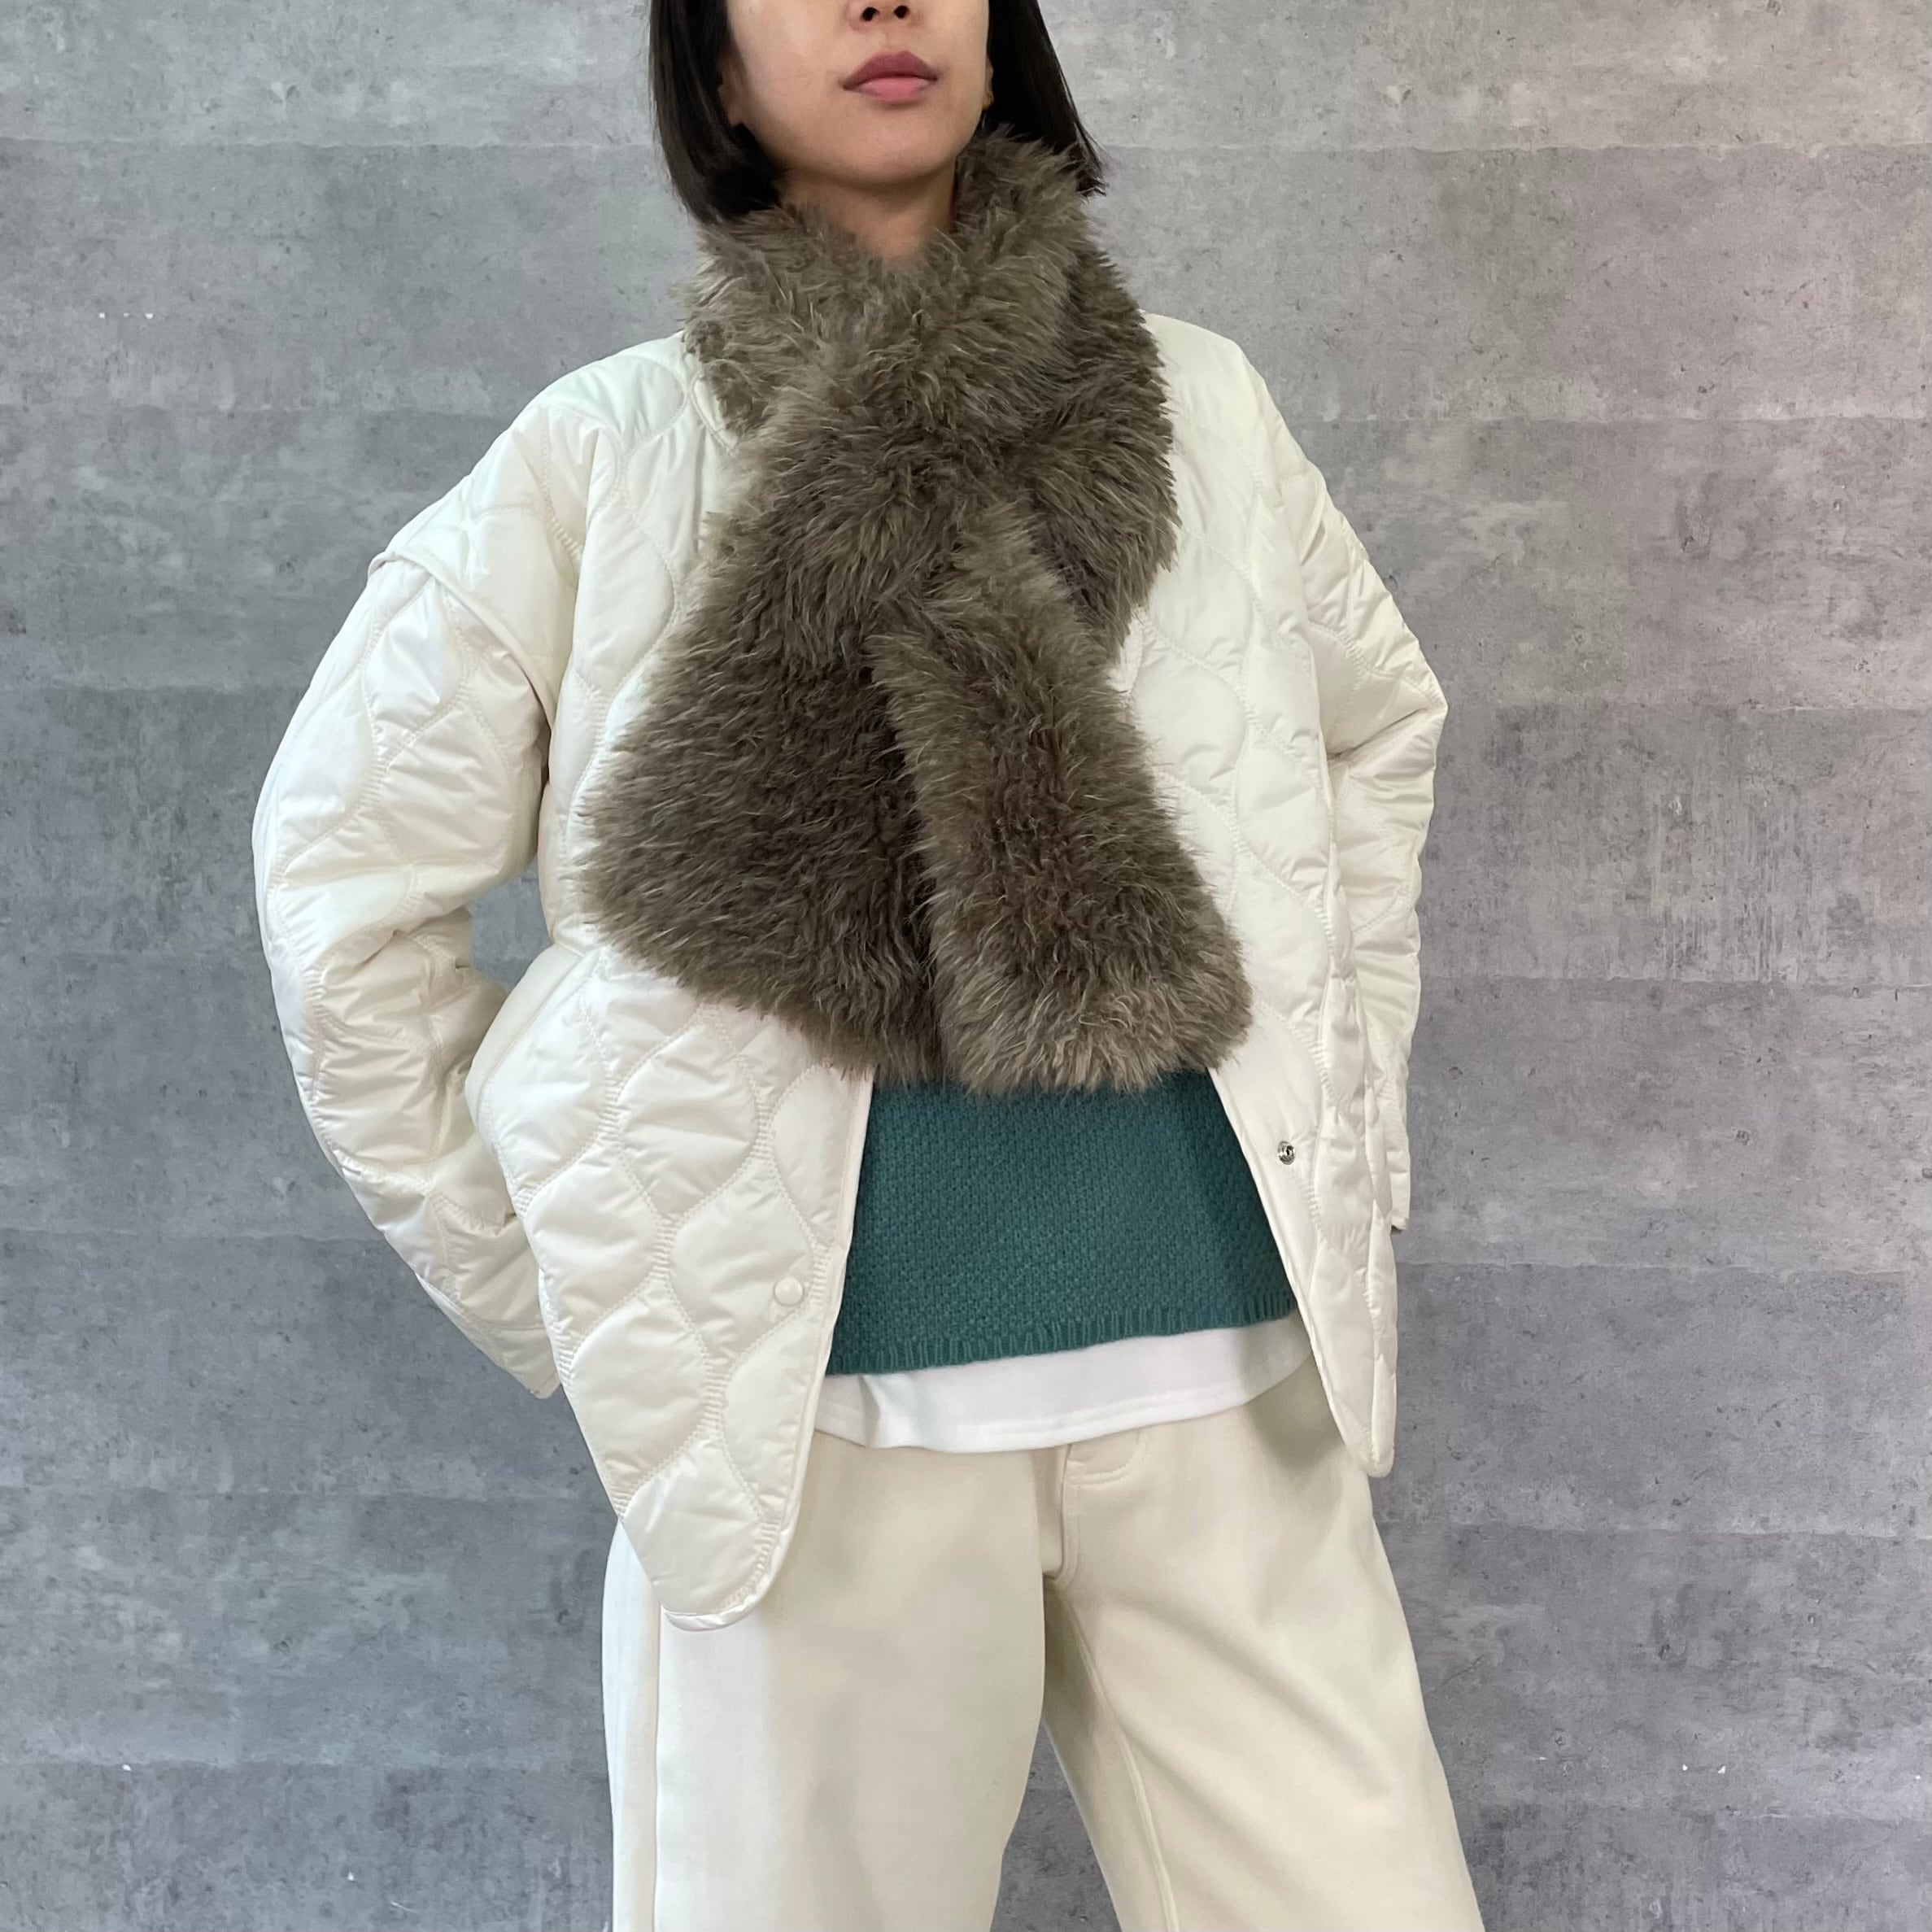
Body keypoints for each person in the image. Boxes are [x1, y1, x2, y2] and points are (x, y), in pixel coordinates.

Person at [251, 1, 1485, 1926]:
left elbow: (1373, 732)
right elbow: (342, 881)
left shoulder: (1207, 407)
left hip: (1231, 1394)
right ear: (714, 67)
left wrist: (1347, 1107)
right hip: (816, 1442)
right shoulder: (605, 453)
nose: (887, 2)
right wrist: (580, 1278)